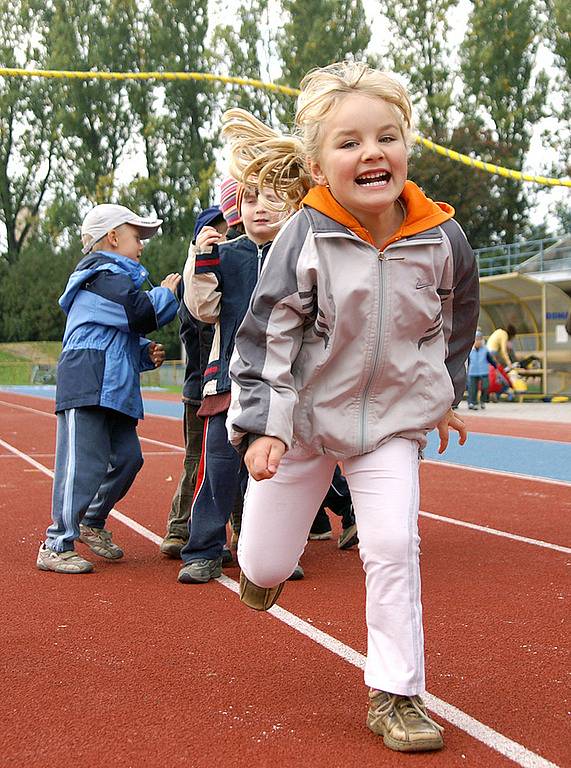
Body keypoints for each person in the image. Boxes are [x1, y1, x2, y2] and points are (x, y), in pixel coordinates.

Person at [222, 62, 479, 753]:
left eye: (385, 137)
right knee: (268, 564)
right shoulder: (303, 238)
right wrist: (261, 429)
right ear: (316, 165)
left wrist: (443, 394)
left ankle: (394, 694)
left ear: (405, 149)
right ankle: (260, 569)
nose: (371, 152)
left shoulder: (442, 239)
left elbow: (452, 327)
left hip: (389, 424)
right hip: (304, 422)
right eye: (349, 143)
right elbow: (265, 339)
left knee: (393, 545)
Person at [36, 204, 181, 574]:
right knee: (82, 465)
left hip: (113, 386)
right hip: (87, 381)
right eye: (137, 237)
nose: (142, 246)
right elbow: (140, 313)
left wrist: (142, 352)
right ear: (113, 238)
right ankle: (56, 543)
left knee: (129, 458)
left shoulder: (116, 279)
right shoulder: (102, 274)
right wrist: (167, 293)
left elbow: (111, 333)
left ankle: (91, 521)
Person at [177, 184, 289, 584]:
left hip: (283, 383)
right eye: (251, 199)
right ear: (237, 208)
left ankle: (276, 553)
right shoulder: (224, 254)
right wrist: (201, 258)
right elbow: (203, 310)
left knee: (278, 473)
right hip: (229, 380)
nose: (261, 208)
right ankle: (204, 549)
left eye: (272, 197)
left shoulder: (298, 252)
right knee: (218, 469)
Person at [160, 206, 226, 558]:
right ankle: (179, 527)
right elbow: (200, 320)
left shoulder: (237, 272)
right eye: (212, 234)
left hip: (231, 387)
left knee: (232, 463)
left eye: (227, 234)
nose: (220, 240)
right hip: (200, 389)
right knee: (196, 461)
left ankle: (239, 531)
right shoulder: (194, 285)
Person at [467, 330, 503, 410]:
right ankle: (472, 403)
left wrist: (496, 367)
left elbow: (491, 360)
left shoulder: (485, 350)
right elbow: (467, 361)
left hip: (483, 371)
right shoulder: (469, 350)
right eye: (476, 339)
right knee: (472, 388)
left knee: (485, 386)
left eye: (479, 339)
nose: (478, 341)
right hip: (472, 372)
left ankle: (482, 401)